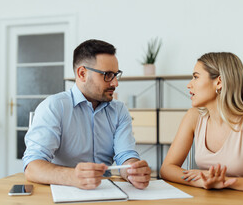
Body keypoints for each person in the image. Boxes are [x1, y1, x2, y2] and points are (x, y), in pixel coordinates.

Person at [23, 39, 151, 190]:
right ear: (82, 73)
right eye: (108, 75)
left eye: (116, 74)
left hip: (106, 192)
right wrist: (72, 177)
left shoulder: (119, 110)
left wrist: (132, 170)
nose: (115, 83)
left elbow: (125, 155)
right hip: (65, 191)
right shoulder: (54, 106)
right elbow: (32, 166)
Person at [160, 52, 243, 196]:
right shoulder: (194, 117)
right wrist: (200, 181)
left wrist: (228, 182)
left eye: (196, 77)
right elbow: (167, 169)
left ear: (219, 82)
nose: (189, 84)